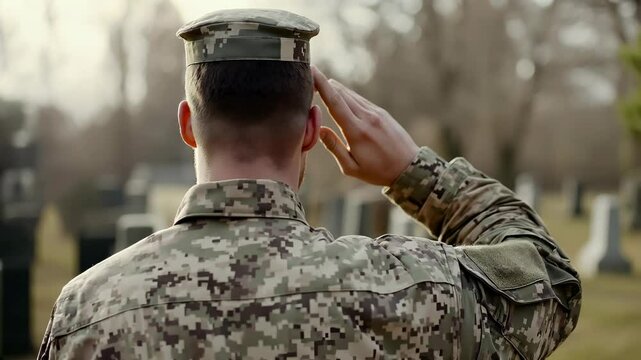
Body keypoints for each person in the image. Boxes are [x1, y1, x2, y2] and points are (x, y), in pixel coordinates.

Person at [38, 9, 581, 359]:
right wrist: (415, 173)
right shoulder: (416, 294)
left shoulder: (87, 313)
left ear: (186, 124)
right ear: (312, 130)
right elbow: (550, 282)